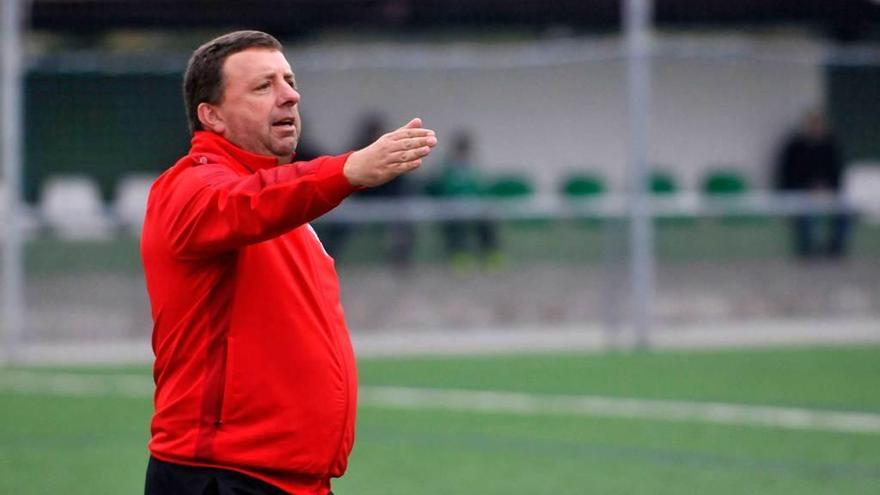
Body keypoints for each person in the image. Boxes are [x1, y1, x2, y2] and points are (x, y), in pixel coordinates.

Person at [140, 30, 437, 495]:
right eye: (264, 86)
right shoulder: (190, 187)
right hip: (222, 476)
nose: (291, 95)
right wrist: (345, 171)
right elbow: (244, 204)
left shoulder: (285, 202)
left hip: (291, 480)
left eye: (289, 80)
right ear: (211, 115)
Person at [774, 110, 850, 259]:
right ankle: (810, 251)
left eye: (818, 124)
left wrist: (827, 187)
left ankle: (835, 249)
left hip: (828, 192)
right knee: (805, 215)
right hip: (802, 192)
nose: (815, 128)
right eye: (812, 124)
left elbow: (837, 172)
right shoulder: (795, 146)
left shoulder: (831, 145)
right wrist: (807, 187)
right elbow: (788, 173)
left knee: (846, 214)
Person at [429, 129, 500, 271]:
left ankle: (491, 255)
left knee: (487, 223)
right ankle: (460, 257)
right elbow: (442, 190)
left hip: (474, 208)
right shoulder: (446, 169)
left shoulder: (473, 169)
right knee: (457, 227)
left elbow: (481, 190)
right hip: (452, 209)